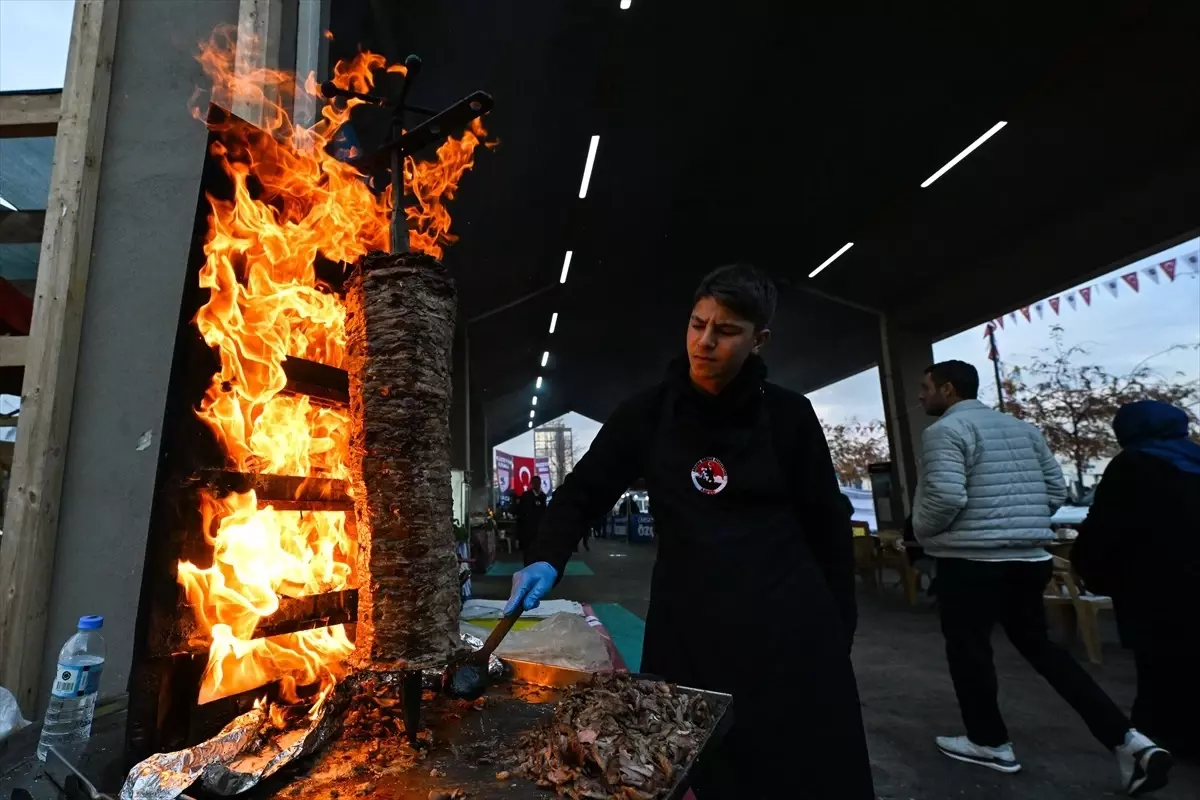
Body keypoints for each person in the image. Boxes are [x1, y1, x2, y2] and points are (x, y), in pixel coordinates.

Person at [503, 264, 874, 799]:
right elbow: (583, 490)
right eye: (698, 324)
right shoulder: (648, 414)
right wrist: (546, 557)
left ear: (758, 339)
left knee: (801, 772)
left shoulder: (790, 416)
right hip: (689, 628)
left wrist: (840, 627)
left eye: (725, 332)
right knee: (686, 766)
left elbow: (827, 526)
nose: (705, 342)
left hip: (788, 625)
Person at [912, 360, 1172, 796]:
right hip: (1029, 560)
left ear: (949, 390)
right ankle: (1129, 741)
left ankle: (990, 742)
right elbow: (1054, 489)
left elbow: (945, 496)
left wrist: (921, 532)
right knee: (1044, 652)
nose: (920, 396)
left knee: (969, 652)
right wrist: (1018, 525)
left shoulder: (944, 432)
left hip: (970, 562)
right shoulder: (1025, 430)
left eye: (925, 387)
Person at [1071, 400, 1200, 761]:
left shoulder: (1133, 466)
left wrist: (1092, 571)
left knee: (1160, 674)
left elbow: (1105, 529)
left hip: (1156, 589)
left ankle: (1151, 750)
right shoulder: (1195, 460)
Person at [514, 475, 547, 558]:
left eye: (538, 483)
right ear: (532, 484)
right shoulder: (526, 496)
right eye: (535, 483)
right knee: (528, 551)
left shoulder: (543, 496)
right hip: (527, 529)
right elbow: (520, 511)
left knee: (538, 551)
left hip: (539, 528)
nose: (537, 485)